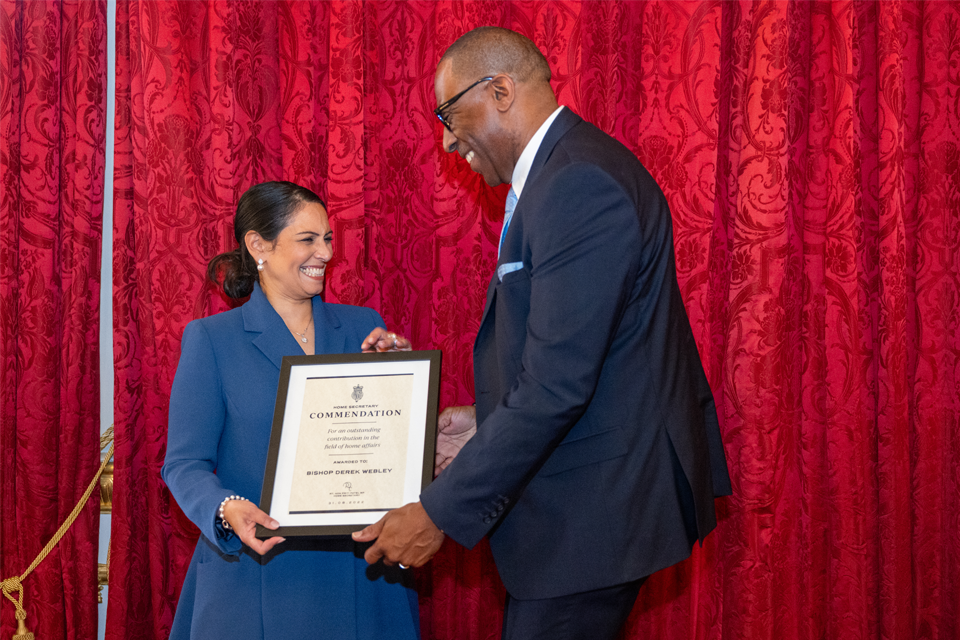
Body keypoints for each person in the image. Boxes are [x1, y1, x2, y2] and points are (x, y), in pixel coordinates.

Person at [353, 27, 732, 640]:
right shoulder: (563, 173)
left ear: (500, 90)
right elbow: (588, 355)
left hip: (592, 514)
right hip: (586, 503)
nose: (448, 141)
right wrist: (482, 423)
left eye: (448, 115)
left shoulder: (576, 183)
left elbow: (557, 384)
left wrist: (437, 514)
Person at [162, 181, 420, 640]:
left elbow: (391, 449)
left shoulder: (364, 327)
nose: (324, 252)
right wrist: (225, 508)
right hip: (255, 575)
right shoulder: (211, 340)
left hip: (361, 576)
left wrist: (400, 378)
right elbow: (184, 464)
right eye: (308, 240)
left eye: (328, 239)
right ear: (258, 245)